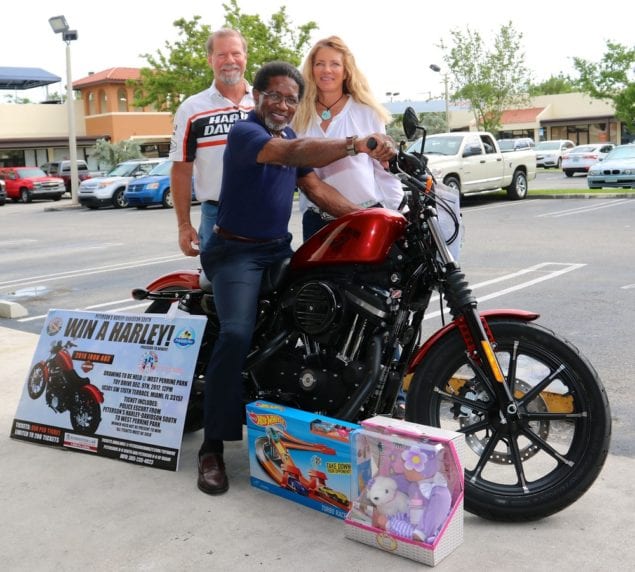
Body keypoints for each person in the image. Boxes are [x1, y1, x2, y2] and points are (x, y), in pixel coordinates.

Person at [195, 60, 396, 496]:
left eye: (291, 99)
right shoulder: (247, 133)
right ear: (258, 97)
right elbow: (291, 154)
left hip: (275, 250)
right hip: (236, 254)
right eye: (276, 96)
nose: (283, 106)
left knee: (315, 315)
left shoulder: (286, 135)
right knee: (236, 332)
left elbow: (318, 190)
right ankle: (211, 446)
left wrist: (372, 219)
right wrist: (355, 144)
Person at [292, 35, 404, 241]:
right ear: (311, 70)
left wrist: (396, 211)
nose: (327, 70)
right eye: (320, 64)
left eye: (335, 64)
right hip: (317, 222)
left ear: (345, 71)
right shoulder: (297, 115)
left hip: (366, 214)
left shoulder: (367, 111)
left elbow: (383, 171)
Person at [170, 28, 254, 256]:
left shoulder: (266, 103)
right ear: (210, 60)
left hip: (265, 213)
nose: (230, 61)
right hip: (216, 216)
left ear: (245, 57)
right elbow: (180, 170)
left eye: (236, 53)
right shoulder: (191, 109)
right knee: (221, 287)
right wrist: (183, 225)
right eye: (221, 55)